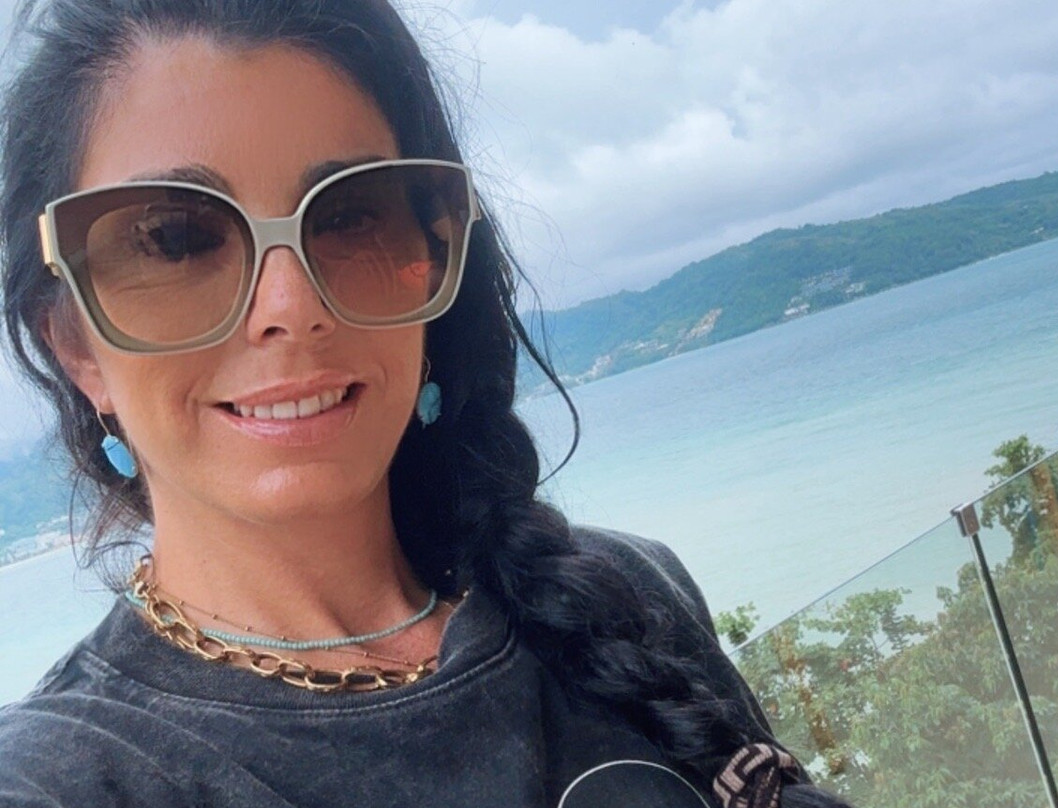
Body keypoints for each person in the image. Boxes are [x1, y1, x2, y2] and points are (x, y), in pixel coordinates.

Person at [0, 2, 850, 806]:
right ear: (76, 345)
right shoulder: (66, 777)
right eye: (176, 238)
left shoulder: (621, 594)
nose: (292, 306)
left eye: (351, 217)